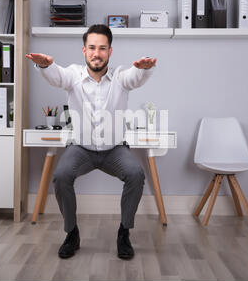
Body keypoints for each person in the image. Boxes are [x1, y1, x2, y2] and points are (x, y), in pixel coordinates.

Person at [25, 24, 157, 260]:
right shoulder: (73, 76)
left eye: (102, 48)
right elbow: (57, 76)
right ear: (84, 50)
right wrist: (45, 65)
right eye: (92, 48)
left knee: (136, 174)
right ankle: (71, 233)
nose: (97, 53)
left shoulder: (119, 77)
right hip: (81, 149)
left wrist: (145, 70)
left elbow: (134, 77)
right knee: (62, 176)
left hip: (114, 150)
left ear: (110, 52)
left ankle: (124, 233)